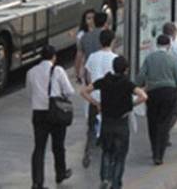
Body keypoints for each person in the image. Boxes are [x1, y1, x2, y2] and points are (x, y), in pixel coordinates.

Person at [80, 56, 147, 189]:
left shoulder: (104, 81)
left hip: (106, 123)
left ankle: (105, 178)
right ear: (126, 70)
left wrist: (97, 103)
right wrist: (131, 104)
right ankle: (115, 184)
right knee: (120, 156)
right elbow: (143, 96)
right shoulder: (127, 83)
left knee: (107, 152)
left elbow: (84, 91)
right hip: (121, 124)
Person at [26, 45, 74, 189]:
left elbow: (29, 92)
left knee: (39, 148)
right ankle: (60, 173)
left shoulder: (31, 72)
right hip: (56, 113)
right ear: (54, 57)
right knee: (58, 146)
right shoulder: (58, 70)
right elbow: (69, 91)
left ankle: (37, 182)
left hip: (38, 113)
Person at [136, 35, 177, 165]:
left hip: (153, 93)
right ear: (169, 45)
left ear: (157, 45)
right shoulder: (172, 59)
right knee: (164, 123)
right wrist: (175, 90)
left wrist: (139, 86)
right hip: (168, 93)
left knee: (152, 122)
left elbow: (140, 76)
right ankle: (160, 155)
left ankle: (154, 150)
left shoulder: (149, 58)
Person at [82, 29, 118, 169]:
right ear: (113, 41)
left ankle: (88, 151)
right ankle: (105, 155)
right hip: (109, 100)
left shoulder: (92, 57)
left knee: (91, 127)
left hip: (94, 98)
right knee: (108, 129)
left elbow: (88, 76)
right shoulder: (115, 58)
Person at [75, 9, 96, 84]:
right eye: (88, 18)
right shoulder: (81, 35)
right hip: (88, 67)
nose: (91, 20)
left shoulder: (101, 31)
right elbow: (79, 54)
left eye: (93, 18)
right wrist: (77, 72)